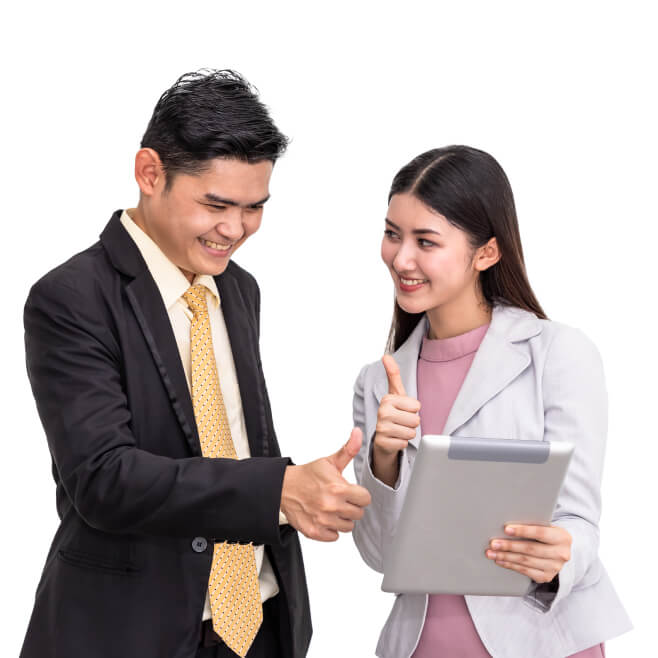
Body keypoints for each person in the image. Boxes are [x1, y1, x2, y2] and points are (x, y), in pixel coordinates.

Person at [20, 69, 371, 658]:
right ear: (149, 173)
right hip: (134, 634)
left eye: (254, 208)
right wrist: (277, 489)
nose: (234, 230)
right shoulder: (71, 297)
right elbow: (103, 478)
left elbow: (233, 440)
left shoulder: (239, 289)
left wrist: (304, 492)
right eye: (215, 204)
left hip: (259, 624)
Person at [351, 145, 632, 658]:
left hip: (542, 643)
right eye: (393, 234)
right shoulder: (378, 382)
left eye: (425, 241)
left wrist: (560, 556)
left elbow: (579, 521)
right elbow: (379, 557)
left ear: (486, 253)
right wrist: (382, 460)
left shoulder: (558, 354)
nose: (401, 259)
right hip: (422, 646)